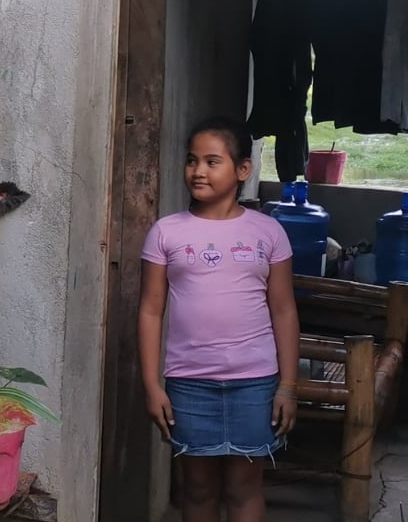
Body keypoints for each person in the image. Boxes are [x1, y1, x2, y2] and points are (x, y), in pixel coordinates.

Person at [139, 117, 301, 521]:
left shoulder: (268, 232)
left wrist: (288, 386)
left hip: (255, 383)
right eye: (192, 160)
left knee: (245, 489)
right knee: (197, 491)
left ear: (242, 170)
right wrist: (151, 385)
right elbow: (150, 310)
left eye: (213, 161)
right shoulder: (166, 232)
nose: (198, 171)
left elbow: (284, 310)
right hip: (189, 385)